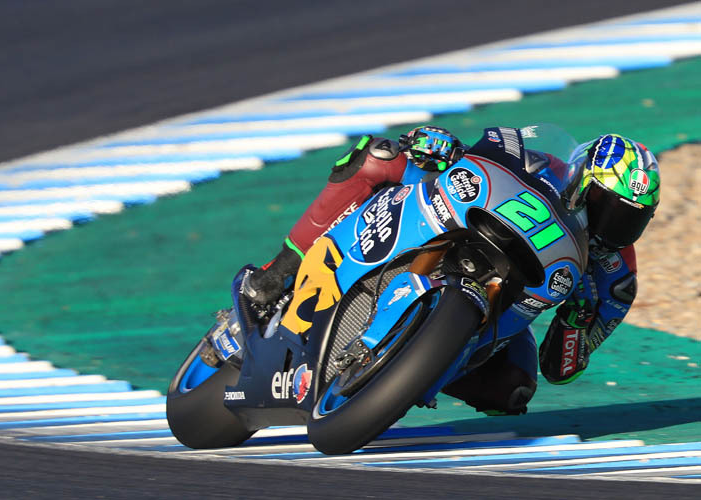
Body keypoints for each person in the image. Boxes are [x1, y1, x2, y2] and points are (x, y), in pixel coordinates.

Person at [240, 126, 661, 416]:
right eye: (608, 208)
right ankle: (277, 274)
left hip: (499, 307)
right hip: (459, 226)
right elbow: (484, 154)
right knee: (379, 157)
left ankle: (409, 370)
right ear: (582, 181)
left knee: (513, 390)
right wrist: (443, 147)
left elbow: (562, 369)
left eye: (631, 220)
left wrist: (576, 319)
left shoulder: (616, 278)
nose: (615, 228)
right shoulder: (544, 165)